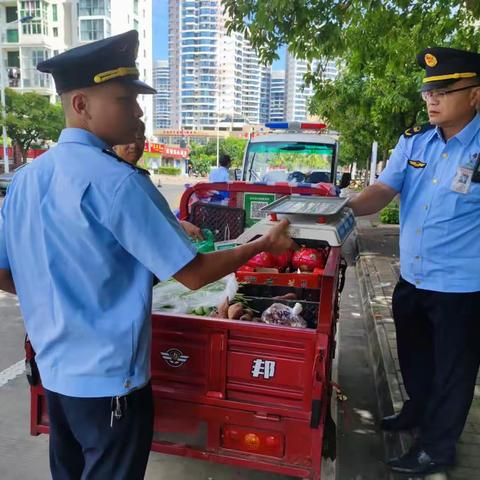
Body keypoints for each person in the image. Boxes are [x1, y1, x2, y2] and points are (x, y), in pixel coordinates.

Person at [0, 30, 295, 480]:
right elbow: (194, 274)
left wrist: (59, 297)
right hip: (108, 384)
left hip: (54, 375)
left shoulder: (25, 180)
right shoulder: (118, 182)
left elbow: (5, 272)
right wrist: (261, 245)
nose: (137, 110)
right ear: (81, 104)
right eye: (124, 99)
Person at [348, 47, 480, 475]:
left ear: (475, 95)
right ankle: (416, 412)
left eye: (444, 90)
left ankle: (438, 448)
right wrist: (341, 208)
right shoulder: (414, 141)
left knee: (453, 375)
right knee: (415, 358)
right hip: (414, 277)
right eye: (428, 91)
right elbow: (383, 191)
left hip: (462, 286)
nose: (432, 99)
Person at [113, 121, 202, 240]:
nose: (133, 145)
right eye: (127, 138)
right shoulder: (120, 179)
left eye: (139, 138)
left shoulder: (138, 175)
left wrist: (180, 225)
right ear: (114, 144)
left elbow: (151, 216)